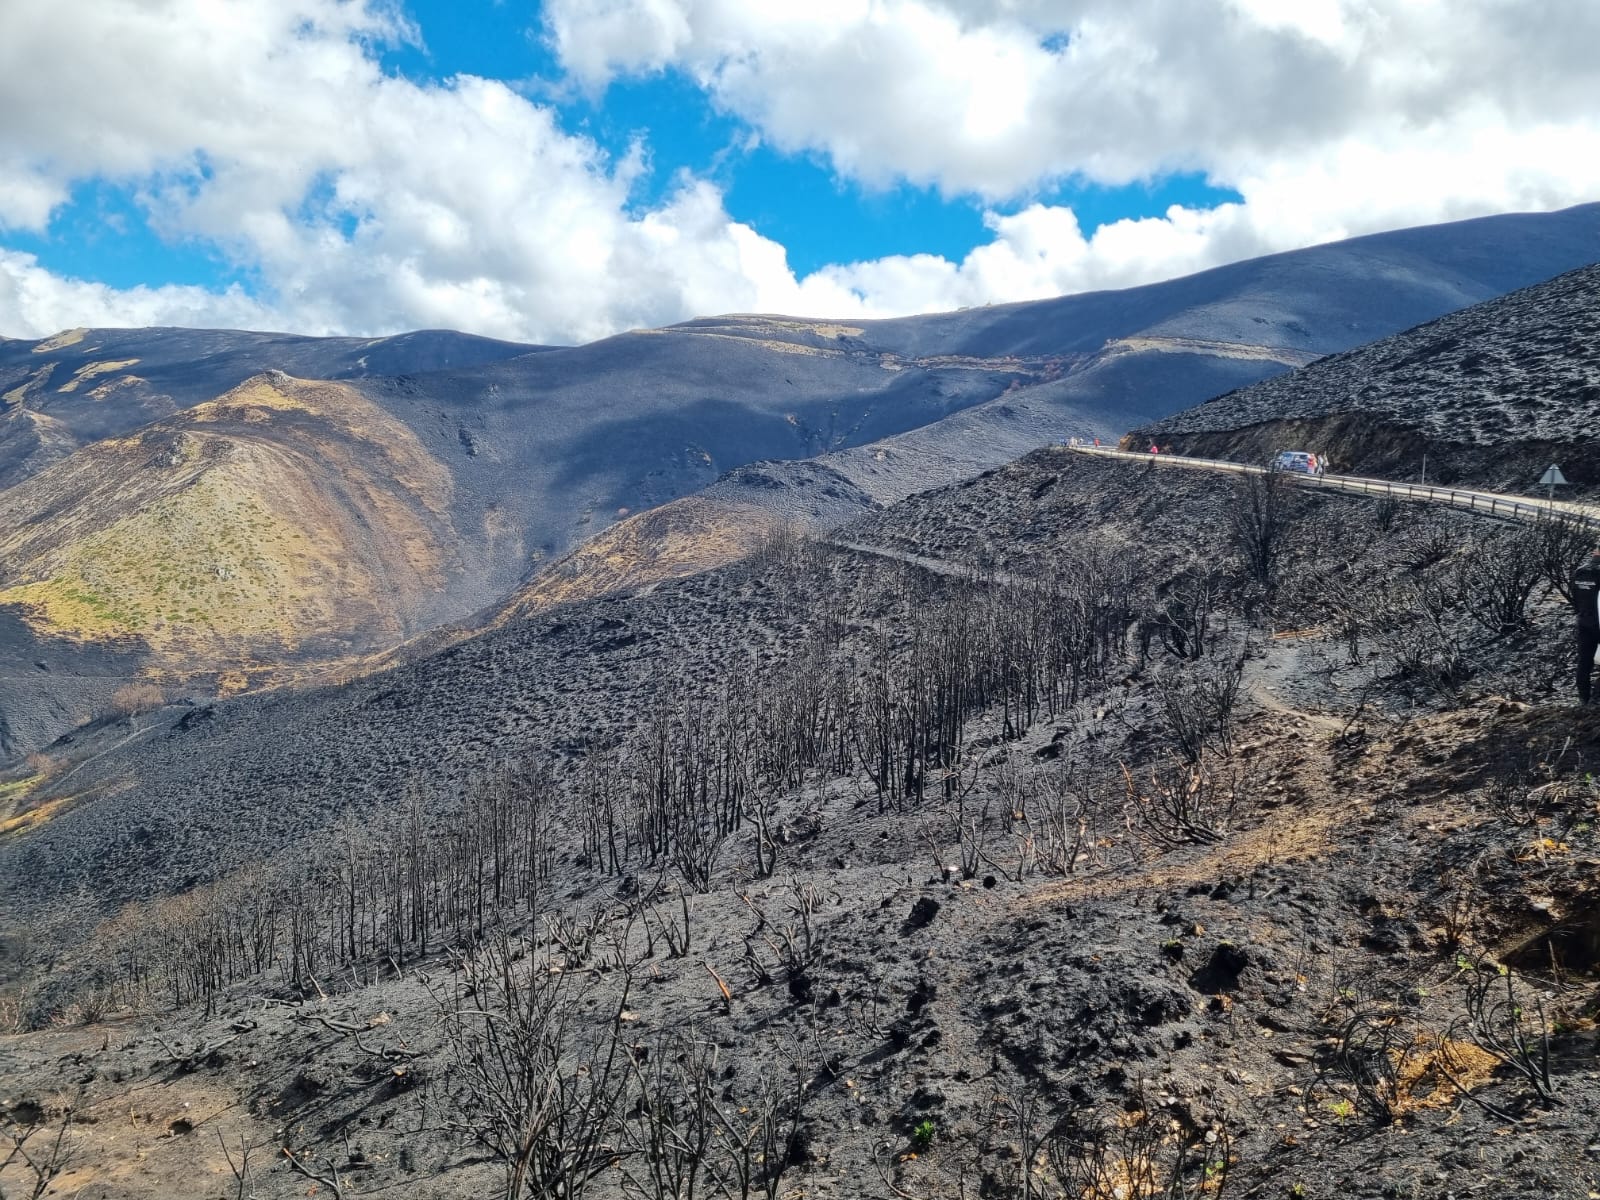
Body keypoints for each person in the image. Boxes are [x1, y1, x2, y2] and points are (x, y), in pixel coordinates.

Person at [1571, 549, 1600, 703]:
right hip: (1599, 621)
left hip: (1584, 621)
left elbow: (1574, 597)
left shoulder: (1580, 571)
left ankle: (1584, 698)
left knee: (1584, 661)